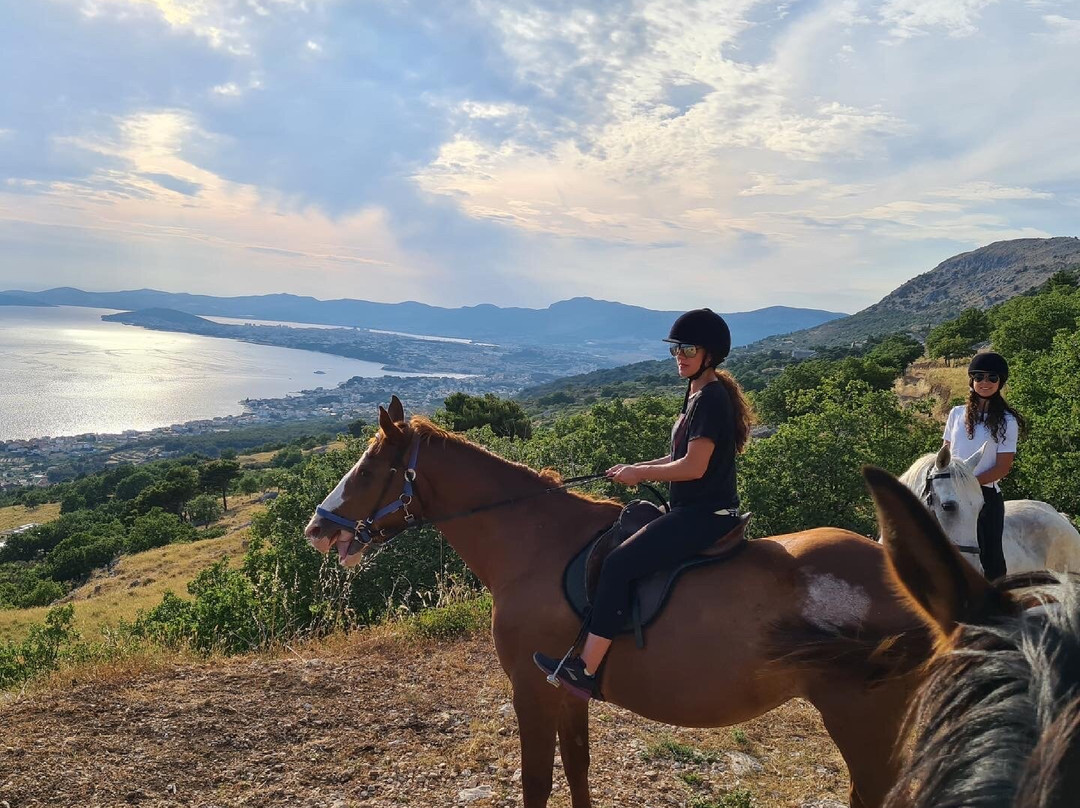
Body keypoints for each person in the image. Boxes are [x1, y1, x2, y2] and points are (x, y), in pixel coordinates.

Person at [533, 308, 755, 700]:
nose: (679, 356)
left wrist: (640, 476)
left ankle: (585, 668)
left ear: (710, 353)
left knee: (619, 565)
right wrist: (635, 467)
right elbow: (677, 458)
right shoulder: (697, 392)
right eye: (675, 350)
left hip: (705, 516)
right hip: (692, 511)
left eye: (688, 348)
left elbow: (693, 467)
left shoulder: (710, 400)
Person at [942, 351, 1025, 581]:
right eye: (978, 377)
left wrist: (967, 483)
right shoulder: (956, 414)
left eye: (992, 377)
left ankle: (995, 607)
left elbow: (1002, 467)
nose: (984, 382)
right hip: (950, 493)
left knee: (992, 561)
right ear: (971, 380)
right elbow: (946, 452)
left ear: (1000, 382)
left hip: (985, 494)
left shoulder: (1008, 421)